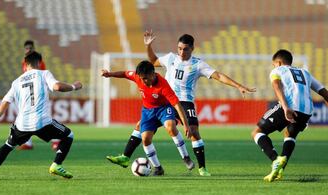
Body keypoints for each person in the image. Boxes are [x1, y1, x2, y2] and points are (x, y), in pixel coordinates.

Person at [107, 31, 256, 176]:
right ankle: (126, 157)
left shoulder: (198, 64)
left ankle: (202, 168)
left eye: (185, 49)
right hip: (165, 101)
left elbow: (218, 76)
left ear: (192, 48)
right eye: (179, 48)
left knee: (193, 132)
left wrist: (238, 86)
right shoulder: (171, 58)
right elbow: (153, 61)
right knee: (141, 126)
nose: (181, 52)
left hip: (185, 102)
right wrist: (148, 46)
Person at [0, 51, 82, 180]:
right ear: (39, 63)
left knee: (8, 145)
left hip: (22, 124)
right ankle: (56, 165)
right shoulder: (43, 74)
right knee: (68, 135)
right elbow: (57, 87)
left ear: (25, 64)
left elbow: (5, 103)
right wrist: (74, 86)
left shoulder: (16, 82)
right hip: (42, 122)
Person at [102, 60, 195, 176]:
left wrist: (186, 125)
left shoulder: (163, 85)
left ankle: (185, 157)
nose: (143, 81)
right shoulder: (138, 77)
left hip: (164, 109)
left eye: (145, 78)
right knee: (145, 138)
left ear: (153, 74)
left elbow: (177, 104)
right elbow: (125, 74)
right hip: (148, 111)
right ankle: (158, 168)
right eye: (141, 78)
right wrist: (109, 74)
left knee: (170, 127)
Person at [251, 49, 328, 182]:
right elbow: (324, 93)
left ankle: (275, 160)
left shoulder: (277, 71)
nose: (273, 67)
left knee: (257, 132)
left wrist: (285, 107)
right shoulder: (305, 73)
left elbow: (276, 86)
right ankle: (279, 170)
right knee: (289, 134)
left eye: (274, 64)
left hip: (290, 106)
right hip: (307, 111)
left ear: (279, 62)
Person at [19, 40, 60, 150]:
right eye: (26, 48)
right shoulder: (24, 61)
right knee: (28, 116)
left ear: (33, 48)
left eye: (30, 48)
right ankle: (28, 143)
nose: (28, 49)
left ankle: (56, 139)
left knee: (42, 118)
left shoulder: (39, 62)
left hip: (39, 93)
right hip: (29, 93)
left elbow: (42, 77)